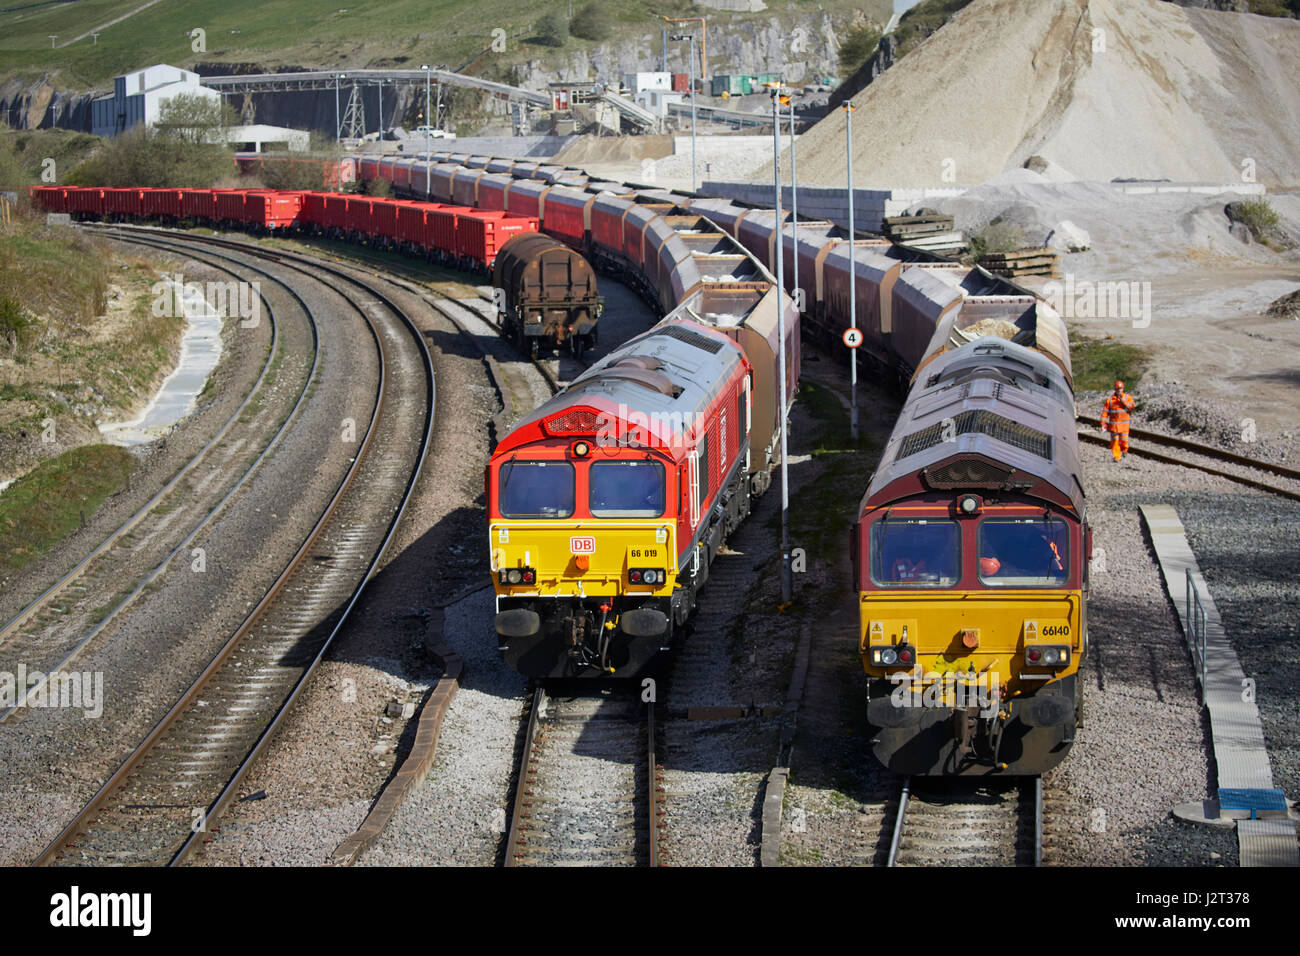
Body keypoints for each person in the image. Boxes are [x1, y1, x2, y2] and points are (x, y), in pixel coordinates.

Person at [1100, 380, 1137, 462]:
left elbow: (1132, 407)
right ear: (1115, 389)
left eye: (1120, 388)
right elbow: (1105, 412)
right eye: (1117, 389)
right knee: (1115, 442)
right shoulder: (1110, 400)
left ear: (1123, 389)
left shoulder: (1127, 397)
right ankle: (1117, 457)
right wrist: (1102, 423)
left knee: (1124, 441)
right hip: (1114, 426)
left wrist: (1124, 401)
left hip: (1124, 426)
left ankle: (1124, 450)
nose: (1119, 390)